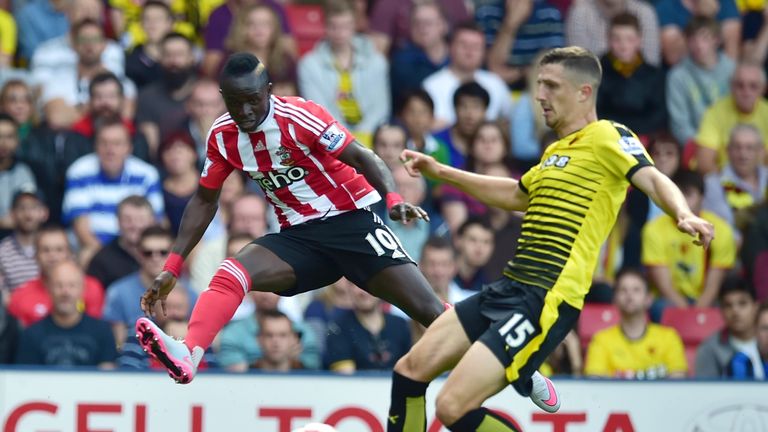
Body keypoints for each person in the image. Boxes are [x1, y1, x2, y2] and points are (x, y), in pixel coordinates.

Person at [385, 46, 714, 432]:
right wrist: (442, 171)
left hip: (545, 296)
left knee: (452, 406)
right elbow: (515, 194)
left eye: (551, 86)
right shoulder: (556, 152)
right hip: (509, 287)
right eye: (539, 84)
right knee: (408, 372)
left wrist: (683, 212)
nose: (539, 95)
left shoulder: (608, 135)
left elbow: (652, 177)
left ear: (583, 92)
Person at [135, 52, 446, 384]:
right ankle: (189, 352)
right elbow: (204, 200)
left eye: (253, 100)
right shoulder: (223, 136)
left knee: (430, 310)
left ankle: (490, 352)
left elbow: (363, 157)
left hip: (350, 223)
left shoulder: (300, 116)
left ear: (268, 91)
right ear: (224, 98)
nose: (246, 111)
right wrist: (172, 266)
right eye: (236, 103)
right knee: (232, 270)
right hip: (299, 238)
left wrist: (394, 197)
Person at [641, 170, 736, 319]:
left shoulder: (720, 229)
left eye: (688, 194)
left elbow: (713, 286)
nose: (682, 201)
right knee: (659, 307)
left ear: (702, 197)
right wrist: (687, 314)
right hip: (668, 300)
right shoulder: (653, 229)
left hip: (705, 299)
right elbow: (664, 285)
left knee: (726, 309)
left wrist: (696, 312)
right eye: (677, 194)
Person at [584, 268, 688, 379]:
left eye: (636, 290)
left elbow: (678, 382)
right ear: (614, 299)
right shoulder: (601, 340)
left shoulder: (669, 337)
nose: (629, 296)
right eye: (623, 290)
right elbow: (595, 385)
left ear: (649, 299)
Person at [15, 259, 117, 367]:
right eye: (59, 285)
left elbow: (108, 377)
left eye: (71, 285)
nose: (65, 292)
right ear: (49, 290)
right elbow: (26, 379)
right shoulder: (31, 335)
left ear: (82, 289)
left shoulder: (102, 331)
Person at [695, 62, 768, 173]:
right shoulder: (715, 112)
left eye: (753, 86)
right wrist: (734, 186)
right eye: (740, 85)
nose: (746, 92)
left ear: (763, 89)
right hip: (724, 183)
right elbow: (704, 163)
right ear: (731, 86)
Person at [325, 282, 412, 373]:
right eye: (357, 285)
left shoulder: (399, 325)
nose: (363, 292)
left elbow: (410, 370)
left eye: (369, 283)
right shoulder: (338, 328)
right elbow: (346, 379)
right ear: (349, 289)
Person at [696, 278, 760, 378]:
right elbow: (705, 392)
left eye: (742, 303)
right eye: (728, 305)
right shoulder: (709, 349)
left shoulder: (765, 341)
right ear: (721, 311)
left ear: (756, 307)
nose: (735, 311)